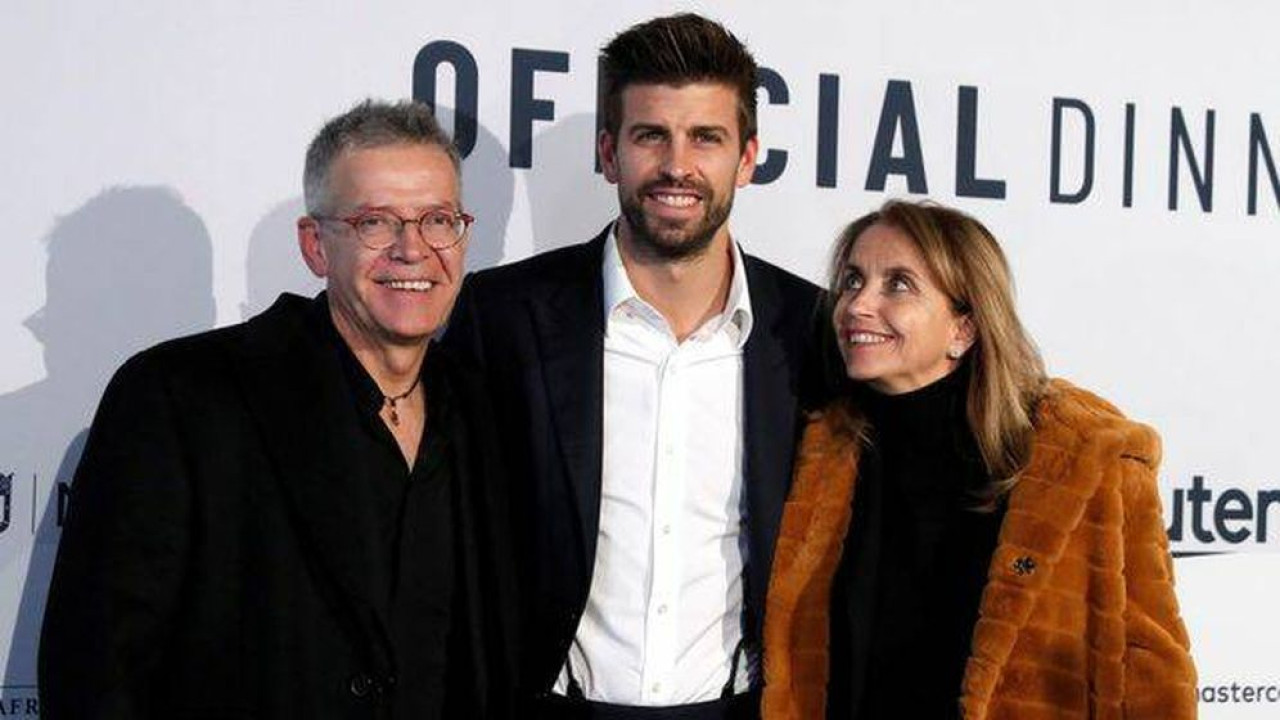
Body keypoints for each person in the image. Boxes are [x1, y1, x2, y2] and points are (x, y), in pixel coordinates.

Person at [39, 100, 515, 719]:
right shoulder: (180, 396)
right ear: (316, 245)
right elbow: (95, 670)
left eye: (437, 219)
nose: (413, 249)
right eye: (375, 222)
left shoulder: (481, 406)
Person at [444, 13, 824, 718]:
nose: (677, 166)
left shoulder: (808, 330)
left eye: (705, 137)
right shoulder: (501, 319)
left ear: (747, 159)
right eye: (651, 135)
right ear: (610, 154)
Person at [760, 200, 1197, 719]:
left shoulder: (1090, 461)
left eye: (897, 284)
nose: (857, 305)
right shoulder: (817, 452)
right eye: (853, 280)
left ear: (963, 328)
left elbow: (1152, 677)